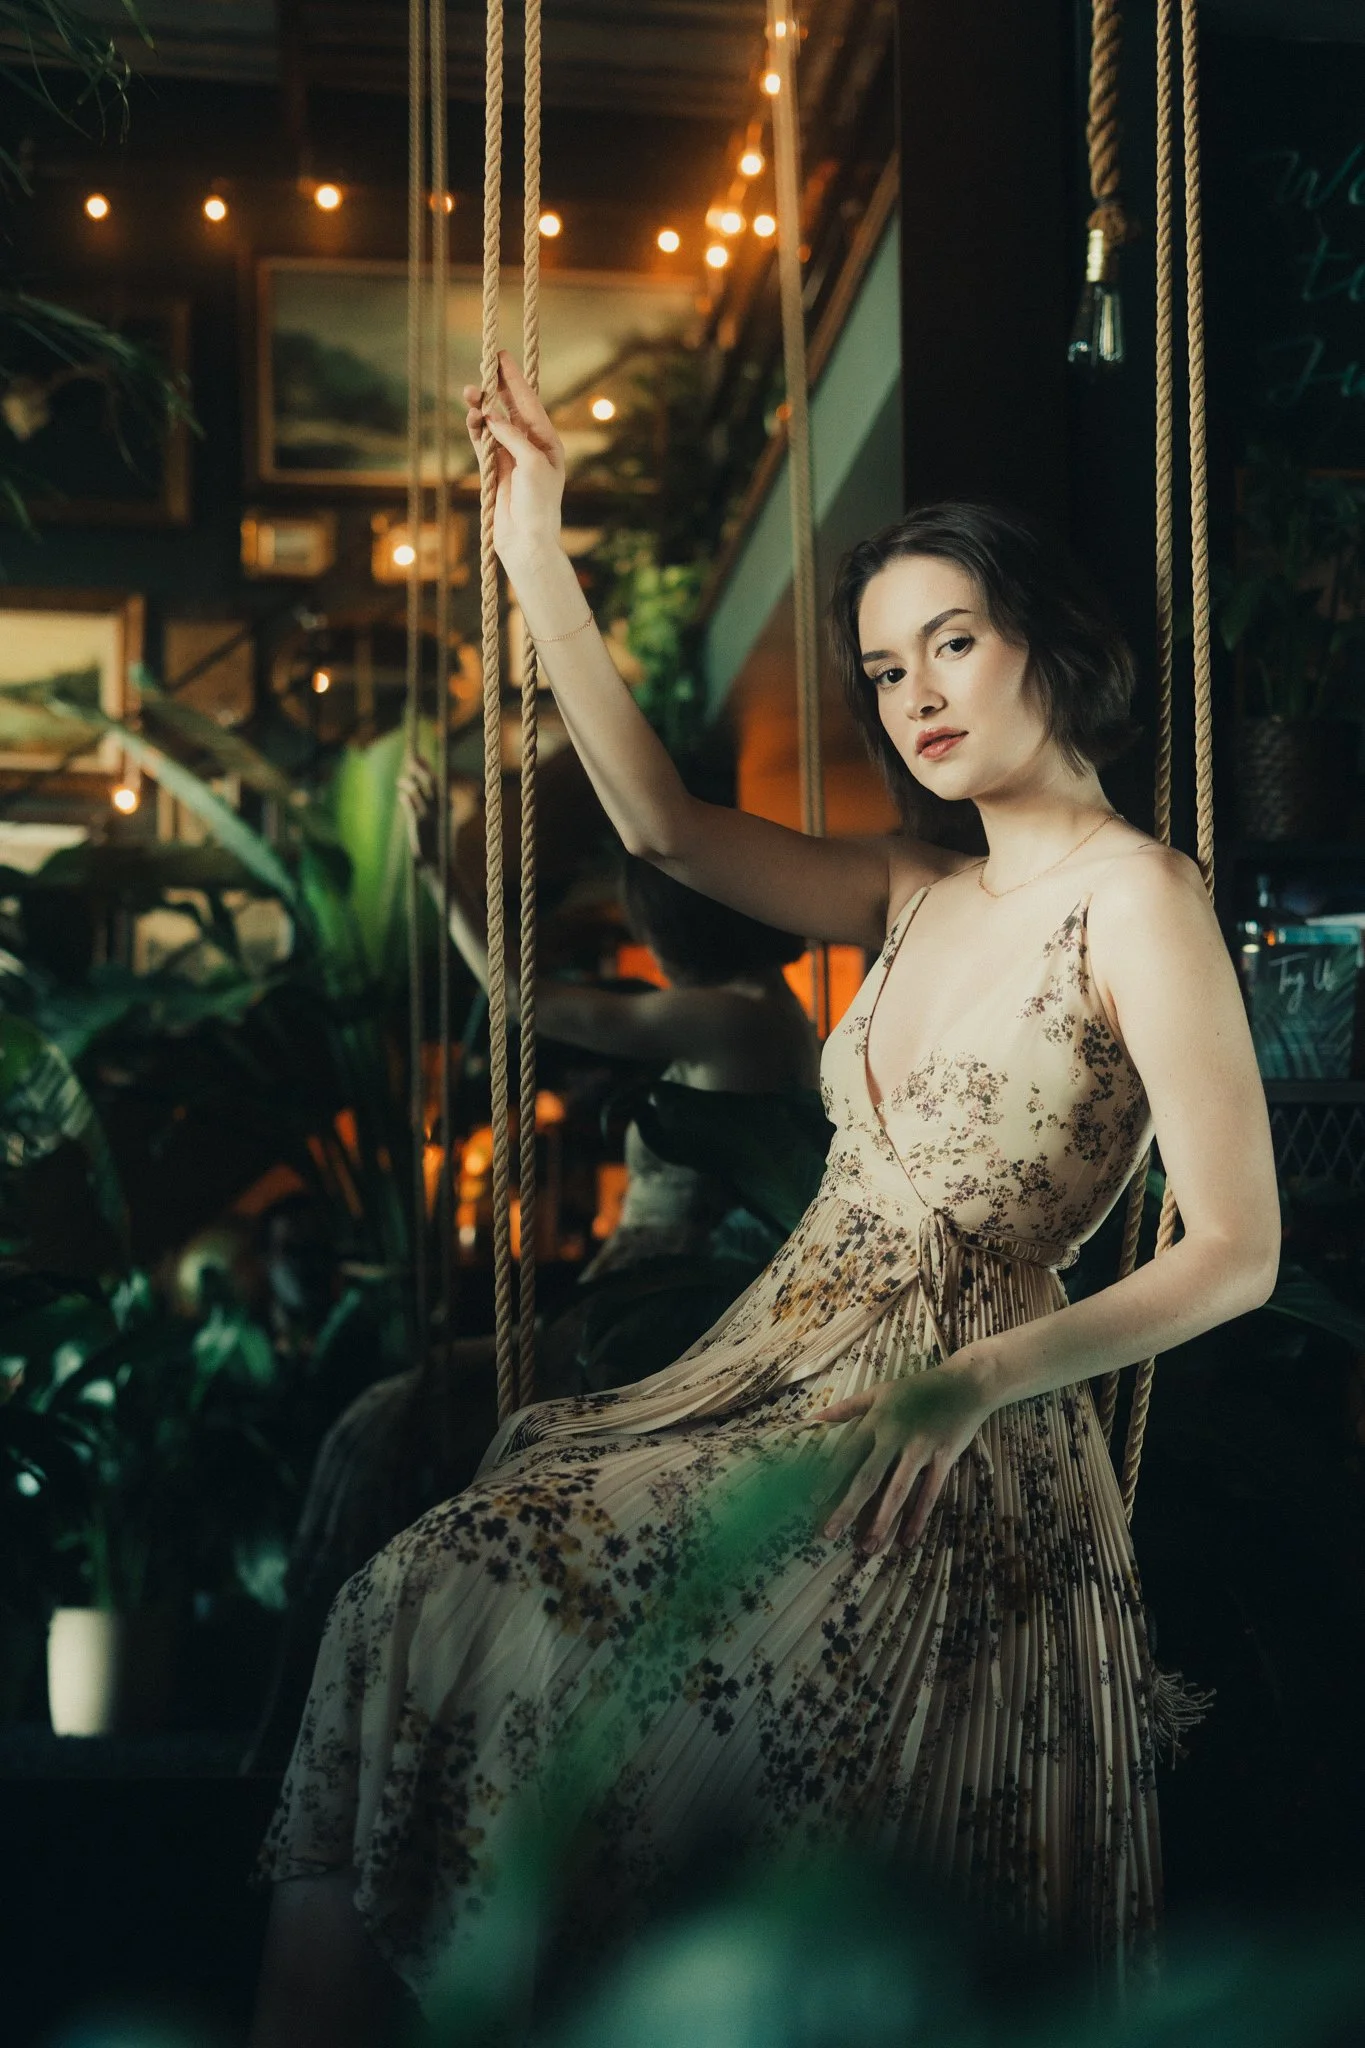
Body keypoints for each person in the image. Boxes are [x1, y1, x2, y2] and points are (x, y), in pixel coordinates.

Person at [249, 354, 1280, 2045]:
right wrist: (532, 553)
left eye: (953, 639)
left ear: (1049, 641)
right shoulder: (913, 887)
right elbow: (659, 817)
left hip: (939, 1439)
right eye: (885, 667)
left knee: (501, 1629)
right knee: (413, 1594)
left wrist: (977, 1380)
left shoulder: (1137, 899)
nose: (918, 692)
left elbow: (1239, 1247)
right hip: (769, 1364)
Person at [398, 763, 820, 1282]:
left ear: (684, 930)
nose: (649, 952)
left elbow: (519, 999)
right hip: (682, 1287)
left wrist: (438, 869)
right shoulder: (773, 1005)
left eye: (649, 933)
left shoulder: (730, 1019)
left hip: (666, 1298)